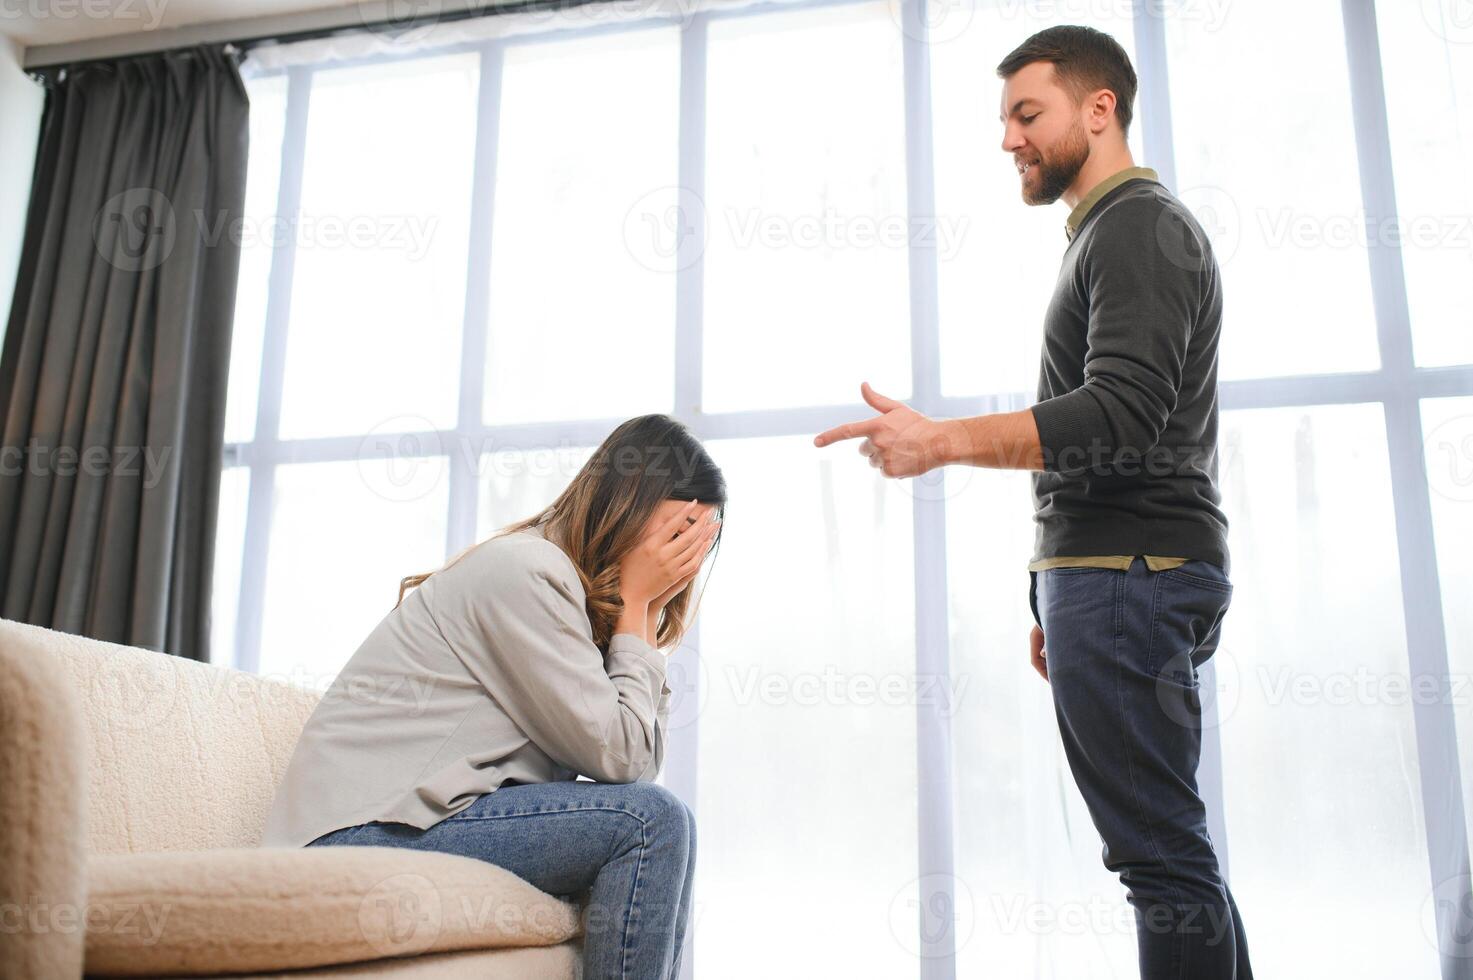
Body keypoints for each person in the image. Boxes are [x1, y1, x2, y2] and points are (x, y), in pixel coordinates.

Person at [813, 24, 1252, 980]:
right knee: (1170, 857)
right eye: (1004, 119)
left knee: (1161, 861)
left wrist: (939, 442)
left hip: (1126, 573)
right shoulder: (1108, 232)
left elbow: (1122, 415)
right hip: (1108, 577)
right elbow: (1111, 426)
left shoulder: (1138, 227)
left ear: (1099, 111)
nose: (1008, 139)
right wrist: (1044, 588)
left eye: (1026, 113)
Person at [260, 414, 726, 980]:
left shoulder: (576, 598)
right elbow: (623, 761)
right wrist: (637, 610)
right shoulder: (529, 571)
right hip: (350, 838)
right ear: (627, 501)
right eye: (678, 534)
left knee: (660, 820)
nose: (685, 558)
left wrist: (643, 615)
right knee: (650, 822)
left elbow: (637, 761)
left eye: (699, 543)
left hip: (414, 822)